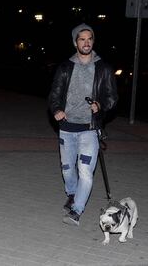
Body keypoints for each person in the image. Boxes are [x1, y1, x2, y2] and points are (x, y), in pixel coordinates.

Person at [48, 23, 118, 226]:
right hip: (67, 128)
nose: (86, 43)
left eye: (89, 39)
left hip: (89, 129)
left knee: (86, 171)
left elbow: (112, 97)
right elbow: (54, 95)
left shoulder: (103, 68)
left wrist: (101, 105)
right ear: (75, 42)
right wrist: (56, 110)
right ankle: (72, 194)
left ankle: (76, 211)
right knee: (68, 169)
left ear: (93, 41)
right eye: (82, 39)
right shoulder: (65, 67)